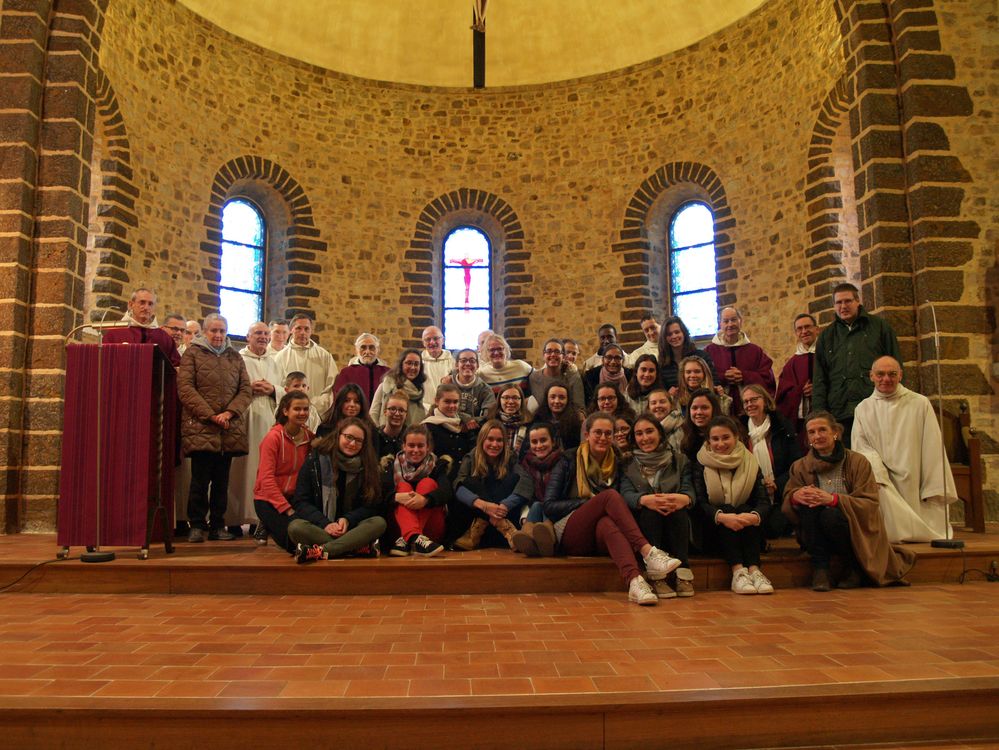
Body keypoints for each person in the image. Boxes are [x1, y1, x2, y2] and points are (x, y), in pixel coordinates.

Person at [543, 412, 681, 606]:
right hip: (569, 529)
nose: (603, 438)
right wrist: (592, 504)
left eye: (608, 433)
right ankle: (649, 553)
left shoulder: (618, 461)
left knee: (607, 522)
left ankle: (635, 582)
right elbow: (549, 505)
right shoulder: (567, 459)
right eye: (597, 432)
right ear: (587, 434)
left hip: (600, 534)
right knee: (609, 497)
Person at [784, 411, 915, 590]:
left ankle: (853, 566)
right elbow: (788, 499)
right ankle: (820, 569)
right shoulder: (800, 466)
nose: (817, 436)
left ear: (835, 432)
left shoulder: (857, 462)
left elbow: (869, 503)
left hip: (852, 530)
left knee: (830, 515)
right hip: (816, 533)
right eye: (811, 432)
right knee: (809, 506)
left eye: (822, 430)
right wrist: (795, 496)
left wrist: (833, 499)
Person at [851, 356, 958, 542]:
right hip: (883, 474)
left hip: (914, 469)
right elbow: (861, 446)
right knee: (881, 487)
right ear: (871, 376)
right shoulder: (863, 408)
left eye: (892, 374)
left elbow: (932, 443)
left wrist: (933, 482)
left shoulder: (919, 403)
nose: (886, 379)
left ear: (900, 375)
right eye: (880, 374)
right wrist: (877, 473)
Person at [177, 313, 252, 542]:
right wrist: (211, 416)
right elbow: (186, 388)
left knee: (222, 481)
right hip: (202, 426)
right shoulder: (193, 354)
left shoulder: (235, 357)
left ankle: (218, 526)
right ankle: (197, 525)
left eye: (222, 331)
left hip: (227, 427)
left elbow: (245, 389)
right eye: (214, 331)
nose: (218, 335)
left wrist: (229, 413)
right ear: (205, 332)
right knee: (200, 480)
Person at [691, 416, 774, 595]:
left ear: (736, 437)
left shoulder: (750, 461)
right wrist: (722, 517)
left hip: (746, 527)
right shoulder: (700, 463)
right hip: (713, 530)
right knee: (727, 509)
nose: (720, 443)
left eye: (725, 437)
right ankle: (738, 572)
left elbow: (763, 502)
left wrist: (754, 516)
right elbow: (699, 504)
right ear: (708, 441)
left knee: (745, 510)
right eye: (715, 439)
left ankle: (754, 570)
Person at [812, 283, 901, 444]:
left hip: (875, 409)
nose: (843, 306)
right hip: (840, 412)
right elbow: (820, 379)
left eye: (847, 301)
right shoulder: (826, 336)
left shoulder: (880, 328)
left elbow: (896, 367)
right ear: (834, 306)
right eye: (839, 302)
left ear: (857, 301)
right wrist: (819, 414)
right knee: (847, 462)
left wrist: (896, 404)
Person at [288, 417, 388, 562]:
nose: (353, 443)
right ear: (338, 435)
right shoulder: (315, 460)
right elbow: (301, 501)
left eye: (359, 441)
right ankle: (354, 547)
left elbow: (372, 505)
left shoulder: (369, 466)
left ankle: (319, 551)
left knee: (379, 523)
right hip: (322, 527)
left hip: (353, 528)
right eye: (349, 437)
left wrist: (348, 519)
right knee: (295, 527)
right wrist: (326, 524)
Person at [622, 414, 696, 598]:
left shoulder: (680, 460)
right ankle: (657, 577)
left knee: (678, 512)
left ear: (660, 434)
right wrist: (644, 500)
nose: (645, 438)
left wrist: (682, 499)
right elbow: (625, 495)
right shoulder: (626, 464)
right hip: (645, 522)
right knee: (649, 512)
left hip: (675, 519)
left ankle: (683, 574)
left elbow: (689, 491)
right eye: (639, 434)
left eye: (649, 431)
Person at [227, 321, 283, 537]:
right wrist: (248, 388)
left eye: (265, 333)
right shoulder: (237, 359)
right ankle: (233, 518)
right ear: (247, 336)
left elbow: (285, 388)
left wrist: (273, 389)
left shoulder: (275, 361)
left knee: (264, 468)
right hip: (243, 418)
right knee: (239, 469)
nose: (262, 337)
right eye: (257, 333)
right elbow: (227, 386)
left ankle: (259, 519)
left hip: (268, 417)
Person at [451, 420, 533, 550]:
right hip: (477, 523)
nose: (495, 444)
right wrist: (484, 506)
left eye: (499, 440)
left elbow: (526, 481)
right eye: (490, 439)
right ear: (482, 439)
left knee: (514, 478)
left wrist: (505, 505)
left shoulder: (510, 457)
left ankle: (498, 522)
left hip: (502, 516)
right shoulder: (471, 457)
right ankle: (504, 526)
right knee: (469, 482)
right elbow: (458, 485)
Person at [252, 390, 314, 551]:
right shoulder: (273, 438)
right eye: (297, 409)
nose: (302, 413)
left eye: (306, 409)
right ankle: (265, 521)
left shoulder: (309, 438)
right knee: (292, 541)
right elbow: (265, 480)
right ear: (285, 411)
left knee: (309, 532)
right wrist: (288, 510)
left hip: (295, 498)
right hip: (269, 500)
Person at [740, 384, 801, 540]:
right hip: (751, 493)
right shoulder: (739, 430)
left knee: (774, 529)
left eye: (754, 399)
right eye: (746, 401)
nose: (749, 404)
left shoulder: (782, 426)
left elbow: (795, 464)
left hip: (780, 491)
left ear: (765, 401)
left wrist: (776, 484)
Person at [386, 424, 449, 557]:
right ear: (404, 446)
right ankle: (415, 538)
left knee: (427, 483)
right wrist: (396, 497)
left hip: (430, 534)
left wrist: (426, 499)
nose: (416, 450)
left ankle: (410, 537)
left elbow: (447, 492)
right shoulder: (391, 465)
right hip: (399, 530)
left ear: (428, 447)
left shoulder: (437, 465)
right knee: (402, 487)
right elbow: (380, 495)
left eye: (420, 446)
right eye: (411, 445)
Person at [704, 307, 775, 416]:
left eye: (733, 320)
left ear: (740, 321)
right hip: (719, 409)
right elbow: (703, 377)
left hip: (749, 409)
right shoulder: (710, 351)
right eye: (726, 321)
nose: (730, 324)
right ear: (720, 324)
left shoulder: (754, 350)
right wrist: (723, 377)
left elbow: (768, 377)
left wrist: (744, 376)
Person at [509, 422, 561, 556]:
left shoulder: (563, 461)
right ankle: (530, 540)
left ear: (553, 442)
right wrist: (525, 518)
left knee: (544, 505)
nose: (539, 446)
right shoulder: (525, 464)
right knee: (537, 505)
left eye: (543, 440)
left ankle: (545, 541)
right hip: (536, 512)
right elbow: (526, 495)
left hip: (558, 512)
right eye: (534, 442)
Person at [273, 314, 338, 415]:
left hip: (318, 413)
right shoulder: (280, 357)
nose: (303, 333)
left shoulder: (324, 356)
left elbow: (332, 386)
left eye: (306, 329)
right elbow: (277, 388)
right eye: (298, 328)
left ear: (311, 331)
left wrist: (314, 406)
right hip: (290, 414)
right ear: (291, 330)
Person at [103, 287, 181, 367]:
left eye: (150, 304)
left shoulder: (163, 337)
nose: (146, 308)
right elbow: (104, 363)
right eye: (142, 302)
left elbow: (176, 366)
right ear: (130, 304)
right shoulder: (115, 333)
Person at [775, 313, 818, 453]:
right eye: (799, 329)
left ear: (817, 329)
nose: (804, 331)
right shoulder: (791, 364)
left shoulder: (826, 356)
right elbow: (782, 393)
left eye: (808, 327)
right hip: (800, 423)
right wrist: (799, 391)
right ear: (796, 333)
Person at [422, 383, 478, 475]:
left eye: (455, 402)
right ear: (436, 401)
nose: (452, 406)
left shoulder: (464, 424)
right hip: (438, 476)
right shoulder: (428, 426)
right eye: (447, 401)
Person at [369, 348, 427, 427]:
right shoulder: (387, 385)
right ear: (401, 364)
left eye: (416, 364)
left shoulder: (420, 390)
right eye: (409, 363)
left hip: (412, 436)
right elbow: (373, 413)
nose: (413, 367)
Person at [657, 316, 715, 394]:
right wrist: (668, 394)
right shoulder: (662, 364)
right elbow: (661, 391)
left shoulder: (702, 356)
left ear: (684, 333)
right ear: (664, 338)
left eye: (677, 332)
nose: (674, 336)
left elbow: (714, 382)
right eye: (669, 334)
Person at [528, 338, 585, 413]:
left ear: (563, 356)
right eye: (549, 351)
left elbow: (579, 407)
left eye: (557, 352)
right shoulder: (534, 377)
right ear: (543, 355)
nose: (553, 355)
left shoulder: (572, 376)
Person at [332, 332, 389, 404]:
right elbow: (340, 398)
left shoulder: (387, 373)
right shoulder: (346, 373)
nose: (367, 351)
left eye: (371, 348)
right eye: (363, 347)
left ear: (378, 350)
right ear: (356, 350)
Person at [451, 348, 496, 426]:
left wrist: (472, 421)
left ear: (477, 365)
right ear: (456, 365)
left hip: (475, 430)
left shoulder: (485, 390)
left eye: (472, 361)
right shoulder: (448, 385)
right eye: (463, 360)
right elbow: (441, 410)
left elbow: (488, 416)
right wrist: (466, 419)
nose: (468, 364)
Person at [532, 382, 582, 451]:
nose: (557, 401)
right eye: (552, 397)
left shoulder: (576, 422)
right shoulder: (538, 420)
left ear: (568, 400)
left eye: (562, 397)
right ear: (547, 399)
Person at [680, 388, 723, 462]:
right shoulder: (684, 434)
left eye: (704, 407)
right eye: (694, 408)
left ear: (714, 409)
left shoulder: (727, 431)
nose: (699, 412)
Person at [487, 385, 531, 456]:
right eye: (506, 398)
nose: (510, 402)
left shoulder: (530, 425)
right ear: (499, 400)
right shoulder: (488, 424)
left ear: (521, 400)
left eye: (515, 398)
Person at [420, 326, 455, 409]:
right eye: (428, 339)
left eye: (436, 338)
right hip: (424, 408)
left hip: (447, 408)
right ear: (423, 343)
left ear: (443, 340)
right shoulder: (418, 363)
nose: (432, 342)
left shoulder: (453, 362)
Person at [374, 390, 410, 459]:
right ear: (385, 412)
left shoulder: (410, 438)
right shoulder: (374, 437)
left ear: (406, 415)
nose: (397, 413)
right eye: (392, 409)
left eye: (401, 410)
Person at [648, 387, 684, 453]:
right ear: (648, 408)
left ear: (671, 405)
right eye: (653, 403)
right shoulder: (645, 429)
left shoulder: (684, 425)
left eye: (662, 402)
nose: (658, 405)